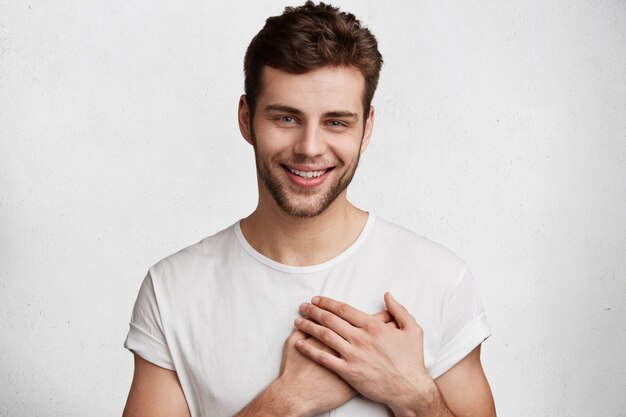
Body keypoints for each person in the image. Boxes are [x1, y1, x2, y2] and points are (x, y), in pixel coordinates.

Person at [122, 2, 496, 416]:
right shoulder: (174, 290)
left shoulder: (440, 280)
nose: (310, 148)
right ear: (246, 119)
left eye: (336, 122)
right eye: (286, 117)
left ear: (366, 127)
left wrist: (414, 395)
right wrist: (287, 399)